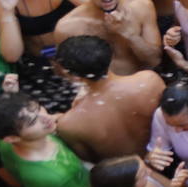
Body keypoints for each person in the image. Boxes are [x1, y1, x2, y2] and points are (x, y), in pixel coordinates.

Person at [52, 34, 163, 162]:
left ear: (72, 75)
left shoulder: (70, 123)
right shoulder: (149, 81)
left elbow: (92, 162)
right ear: (110, 56)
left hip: (128, 174)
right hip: (166, 156)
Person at [53, 0, 163, 75]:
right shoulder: (67, 27)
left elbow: (154, 60)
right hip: (101, 90)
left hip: (144, 83)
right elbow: (65, 73)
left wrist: (129, 34)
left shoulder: (141, 6)